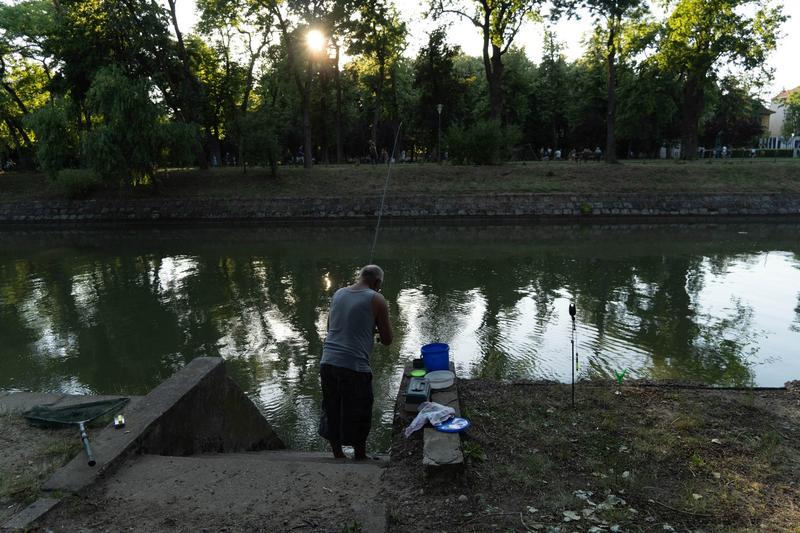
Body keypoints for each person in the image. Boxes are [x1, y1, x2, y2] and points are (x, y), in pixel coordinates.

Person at [319, 265, 393, 460]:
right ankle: (360, 456)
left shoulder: (338, 293)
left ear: (360, 277)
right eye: (380, 286)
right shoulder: (377, 299)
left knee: (332, 408)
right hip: (355, 366)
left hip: (327, 361)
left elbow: (330, 327)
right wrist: (374, 328)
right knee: (360, 411)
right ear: (376, 283)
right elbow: (387, 339)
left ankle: (338, 455)